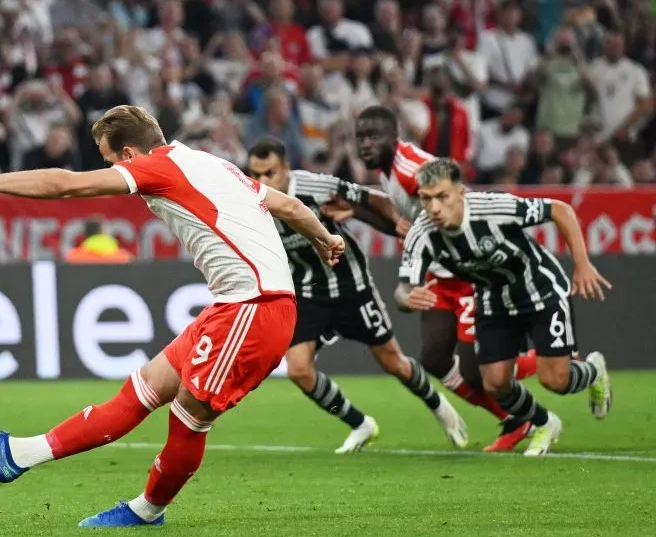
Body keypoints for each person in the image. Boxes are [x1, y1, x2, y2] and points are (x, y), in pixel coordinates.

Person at [0, 105, 345, 527]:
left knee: (188, 418)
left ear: (131, 155)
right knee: (142, 390)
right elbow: (292, 208)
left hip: (255, 310)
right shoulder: (213, 164)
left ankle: (148, 511)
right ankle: (16, 454)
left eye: (110, 160)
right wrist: (325, 238)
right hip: (233, 307)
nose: (111, 170)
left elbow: (63, 185)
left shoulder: (157, 168)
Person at [246, 136, 468, 452]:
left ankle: (440, 407)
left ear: (286, 169)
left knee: (394, 363)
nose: (262, 181)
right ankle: (361, 424)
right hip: (309, 291)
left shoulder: (316, 186)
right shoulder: (251, 200)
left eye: (270, 173)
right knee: (297, 369)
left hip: (353, 288)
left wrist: (398, 223)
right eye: (255, 174)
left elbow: (371, 198)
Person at [396, 158, 612, 456]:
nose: (434, 208)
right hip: (493, 302)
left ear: (460, 193)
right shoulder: (421, 234)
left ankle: (593, 370)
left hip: (540, 292)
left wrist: (582, 263)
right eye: (426, 198)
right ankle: (545, 422)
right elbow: (403, 289)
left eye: (442, 197)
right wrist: (407, 298)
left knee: (556, 380)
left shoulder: (494, 207)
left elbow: (560, 210)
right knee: (495, 383)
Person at [353, 105, 538, 452]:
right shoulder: (388, 170)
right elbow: (408, 224)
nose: (365, 144)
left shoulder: (411, 169)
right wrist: (360, 211)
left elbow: (454, 200)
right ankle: (515, 418)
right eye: (360, 137)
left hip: (467, 273)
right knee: (435, 359)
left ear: (395, 136)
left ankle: (557, 361)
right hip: (440, 276)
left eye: (373, 136)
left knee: (477, 371)